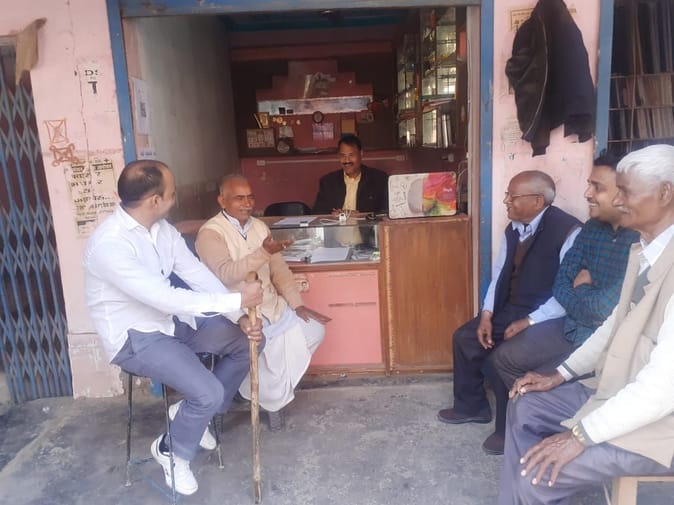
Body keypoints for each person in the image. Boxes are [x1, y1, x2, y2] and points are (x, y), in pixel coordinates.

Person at [498, 144, 674, 505]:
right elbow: (613, 324)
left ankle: (531, 489)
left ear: (664, 193)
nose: (618, 201)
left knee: (536, 475)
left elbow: (659, 393)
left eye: (625, 191)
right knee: (525, 403)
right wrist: (559, 374)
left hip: (657, 428)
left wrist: (580, 435)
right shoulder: (645, 250)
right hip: (615, 392)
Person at [83, 160, 263, 496]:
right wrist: (236, 298)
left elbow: (195, 275)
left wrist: (237, 312)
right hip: (136, 337)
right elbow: (164, 298)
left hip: (171, 324)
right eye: (172, 193)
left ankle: (191, 415)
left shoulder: (162, 230)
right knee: (207, 392)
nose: (175, 198)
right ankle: (171, 450)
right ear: (155, 201)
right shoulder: (110, 245)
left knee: (248, 341)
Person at [487, 155, 639, 454]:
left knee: (531, 386)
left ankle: (556, 431)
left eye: (597, 187)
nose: (587, 194)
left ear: (625, 192)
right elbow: (561, 284)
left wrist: (584, 288)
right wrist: (586, 291)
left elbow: (606, 310)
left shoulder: (639, 239)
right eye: (589, 185)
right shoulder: (591, 229)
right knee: (503, 358)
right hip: (571, 324)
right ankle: (535, 428)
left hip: (600, 336)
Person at [437, 170, 581, 455]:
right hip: (513, 308)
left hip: (549, 316)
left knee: (502, 358)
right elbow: (500, 273)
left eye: (512, 196)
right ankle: (471, 407)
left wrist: (529, 321)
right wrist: (487, 314)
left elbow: (567, 294)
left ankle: (507, 430)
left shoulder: (568, 231)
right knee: (465, 338)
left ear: (537, 201)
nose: (505, 201)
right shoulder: (513, 229)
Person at [196, 174, 329, 430]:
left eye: (250, 197)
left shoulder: (260, 227)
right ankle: (266, 400)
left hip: (271, 306)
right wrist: (263, 252)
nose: (247, 203)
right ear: (222, 201)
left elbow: (279, 270)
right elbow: (226, 273)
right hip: (235, 313)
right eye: (239, 198)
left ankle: (271, 397)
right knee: (255, 348)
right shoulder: (210, 234)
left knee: (314, 331)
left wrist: (297, 304)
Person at [313, 134, 389, 214]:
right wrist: (332, 215)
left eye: (351, 155)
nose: (347, 160)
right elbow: (318, 212)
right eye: (343, 155)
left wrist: (362, 216)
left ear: (361, 154)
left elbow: (386, 212)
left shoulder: (379, 179)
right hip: (336, 222)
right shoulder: (328, 182)